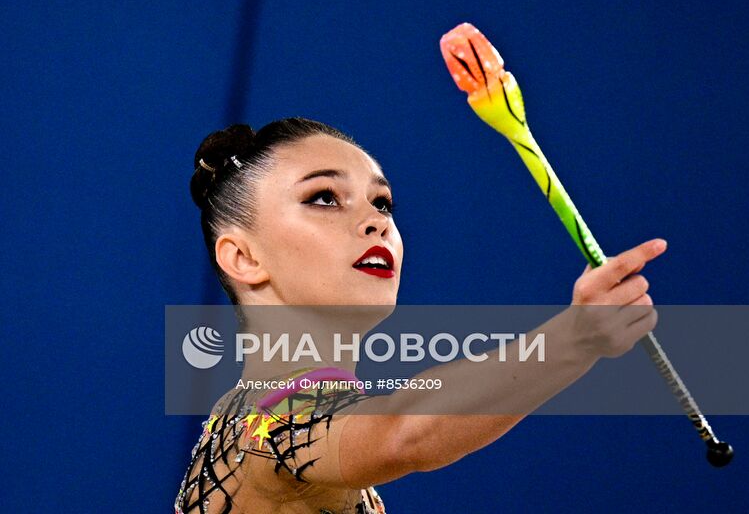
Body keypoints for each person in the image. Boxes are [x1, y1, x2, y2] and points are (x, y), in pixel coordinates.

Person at [175, 117, 665, 513]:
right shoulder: (269, 423)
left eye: (382, 202)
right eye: (324, 197)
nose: (377, 222)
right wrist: (574, 338)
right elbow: (405, 431)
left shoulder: (248, 418)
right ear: (243, 258)